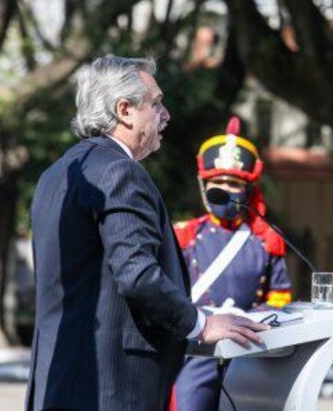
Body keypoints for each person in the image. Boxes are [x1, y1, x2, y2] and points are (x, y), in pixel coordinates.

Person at [26, 56, 268, 411]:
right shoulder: (119, 172)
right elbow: (138, 275)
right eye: (155, 104)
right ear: (124, 110)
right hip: (110, 385)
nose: (165, 114)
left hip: (58, 378)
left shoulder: (55, 173)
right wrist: (201, 324)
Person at [172, 116, 292, 410]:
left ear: (248, 189)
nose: (226, 189)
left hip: (249, 351)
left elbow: (279, 297)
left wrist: (248, 319)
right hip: (197, 351)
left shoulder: (267, 239)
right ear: (205, 186)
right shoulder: (183, 235)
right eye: (219, 182)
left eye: (234, 183)